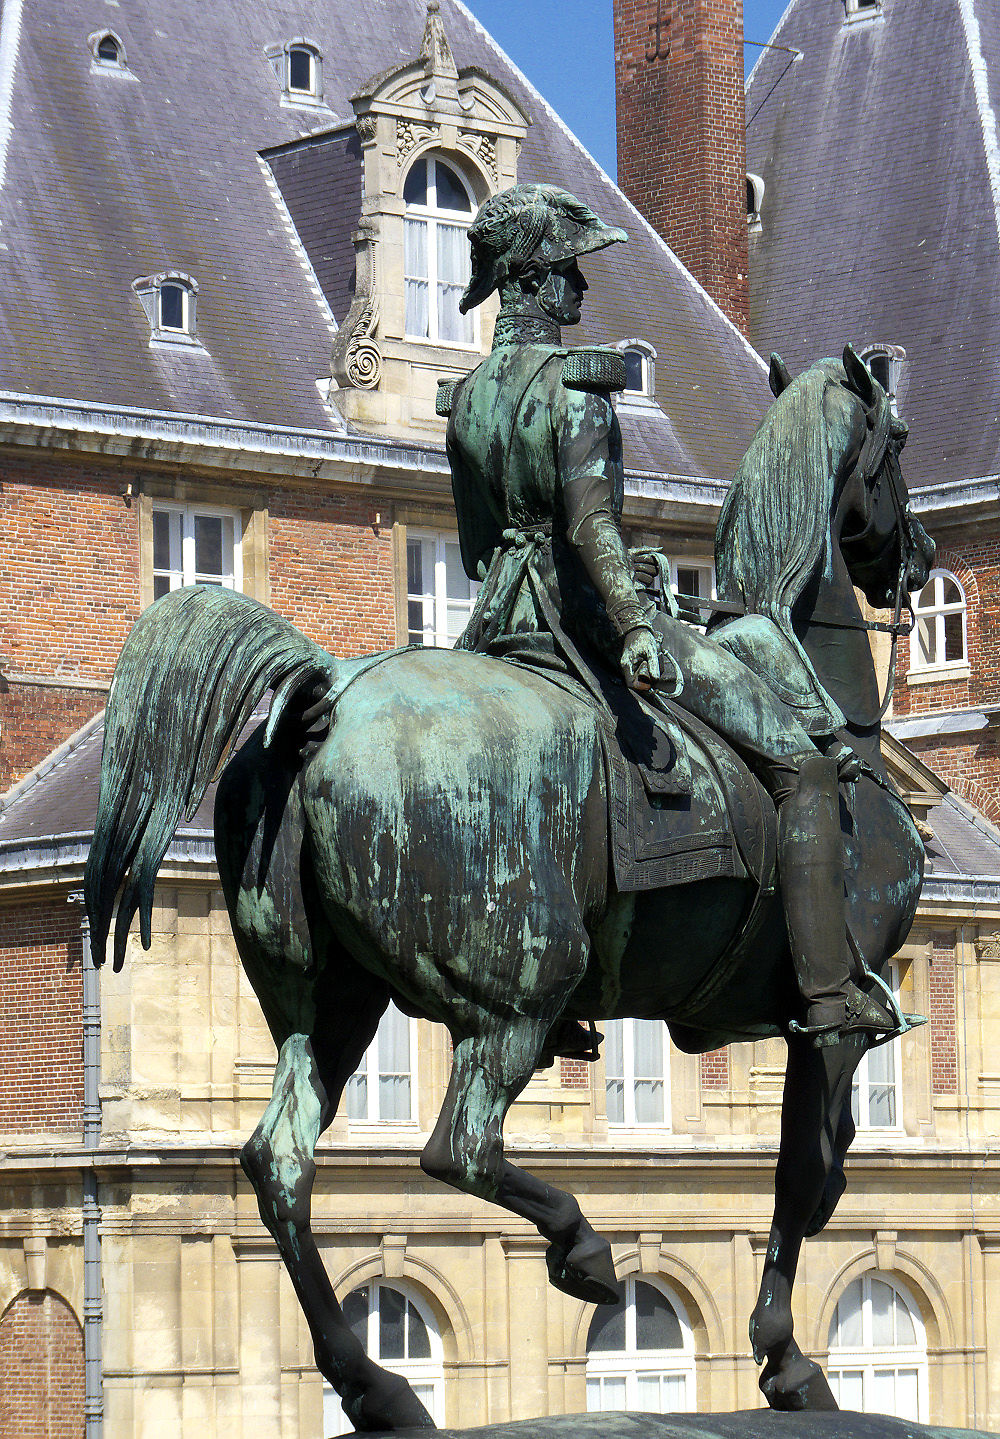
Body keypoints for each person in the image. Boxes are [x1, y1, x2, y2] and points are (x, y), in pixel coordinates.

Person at [442, 183, 907, 1048]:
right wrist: (637, 619)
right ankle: (830, 990)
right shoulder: (576, 385)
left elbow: (482, 542)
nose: (582, 287)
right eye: (571, 271)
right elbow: (587, 525)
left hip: (498, 624)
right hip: (581, 620)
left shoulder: (465, 397)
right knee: (802, 765)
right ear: (537, 281)